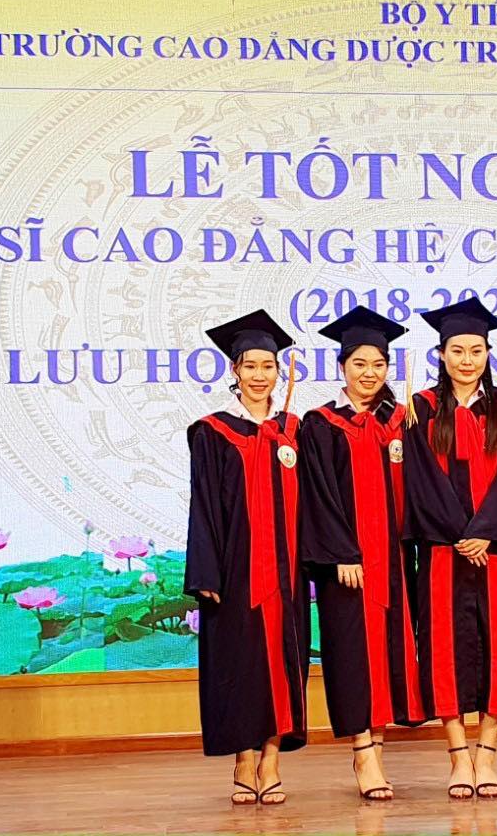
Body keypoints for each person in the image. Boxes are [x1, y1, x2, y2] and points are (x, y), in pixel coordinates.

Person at [402, 297, 497, 799]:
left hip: (495, 552)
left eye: (476, 350)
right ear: (441, 354)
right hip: (442, 552)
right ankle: (458, 756)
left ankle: (487, 754)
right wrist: (461, 534)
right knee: (444, 649)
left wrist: (487, 532)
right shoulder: (421, 408)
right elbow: (421, 480)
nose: (467, 360)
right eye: (457, 350)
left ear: (487, 354)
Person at [299, 307, 425, 801]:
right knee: (353, 654)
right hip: (348, 566)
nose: (369, 373)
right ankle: (362, 752)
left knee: (389, 651)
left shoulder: (402, 420)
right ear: (342, 367)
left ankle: (378, 747)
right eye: (359, 364)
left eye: (378, 364)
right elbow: (318, 496)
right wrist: (341, 553)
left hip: (394, 561)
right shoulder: (321, 425)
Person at [184, 309, 309, 806]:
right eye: (250, 366)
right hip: (237, 570)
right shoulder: (213, 432)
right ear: (234, 370)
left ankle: (272, 760)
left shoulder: (294, 431)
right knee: (241, 663)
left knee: (283, 662)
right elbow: (203, 506)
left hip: (288, 572)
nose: (260, 375)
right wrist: (206, 572)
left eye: (268, 366)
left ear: (279, 372)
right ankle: (242, 758)